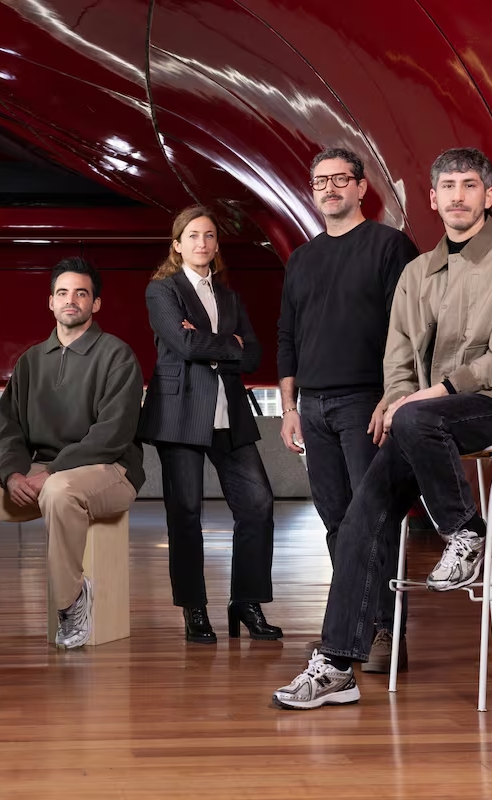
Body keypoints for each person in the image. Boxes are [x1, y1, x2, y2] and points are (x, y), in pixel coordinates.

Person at [272, 147, 492, 709]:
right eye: (447, 187)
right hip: (424, 416)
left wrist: (435, 392)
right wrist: (403, 396)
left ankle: (467, 531)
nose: (457, 196)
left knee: (421, 417)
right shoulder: (416, 272)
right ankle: (336, 665)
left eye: (469, 186)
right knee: (359, 519)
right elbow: (399, 354)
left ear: (488, 195)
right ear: (432, 199)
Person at [0, 257, 144, 653]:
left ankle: (71, 603)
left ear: (96, 304)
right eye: (63, 293)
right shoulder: (31, 361)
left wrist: (51, 471)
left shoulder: (116, 356)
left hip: (110, 471)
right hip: (45, 474)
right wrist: (13, 475)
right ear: (50, 302)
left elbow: (113, 434)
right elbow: (11, 429)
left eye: (82, 294)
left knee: (59, 490)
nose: (72, 301)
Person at [278, 147, 419, 671]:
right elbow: (287, 336)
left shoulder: (390, 247)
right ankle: (352, 624)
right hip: (312, 408)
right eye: (321, 182)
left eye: (341, 179)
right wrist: (290, 406)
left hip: (367, 403)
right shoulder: (302, 258)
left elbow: (407, 331)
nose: (330, 188)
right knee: (336, 521)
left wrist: (392, 396)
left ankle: (387, 628)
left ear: (363, 188)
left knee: (374, 520)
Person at [138, 205, 281, 644]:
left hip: (228, 412)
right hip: (180, 412)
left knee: (258, 504)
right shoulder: (162, 291)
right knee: (185, 513)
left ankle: (246, 602)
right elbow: (181, 343)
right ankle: (194, 608)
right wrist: (227, 346)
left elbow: (255, 353)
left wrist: (213, 346)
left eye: (210, 236)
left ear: (216, 245)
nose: (202, 243)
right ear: (177, 245)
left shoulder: (230, 297)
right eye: (193, 236)